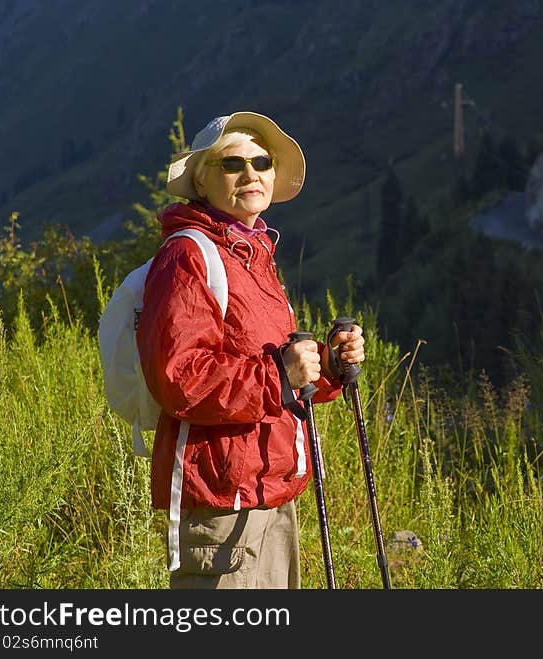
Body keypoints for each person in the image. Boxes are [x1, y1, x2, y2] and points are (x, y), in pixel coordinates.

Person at [135, 111, 365, 589]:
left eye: (261, 161)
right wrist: (281, 375)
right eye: (232, 163)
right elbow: (179, 377)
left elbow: (267, 362)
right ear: (202, 181)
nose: (251, 173)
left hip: (270, 488)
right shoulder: (188, 256)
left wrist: (327, 366)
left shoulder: (251, 253)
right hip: (222, 500)